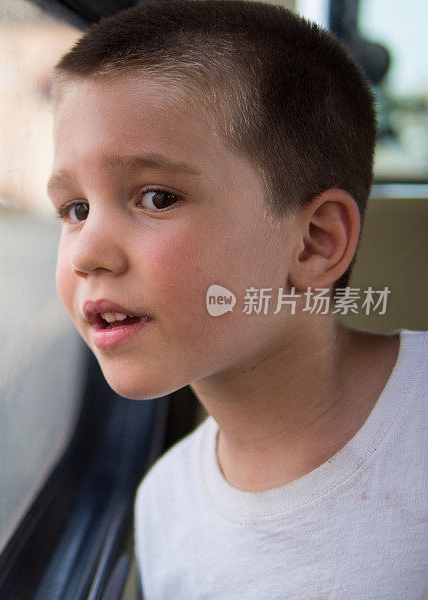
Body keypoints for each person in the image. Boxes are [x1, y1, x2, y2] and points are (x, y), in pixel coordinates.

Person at [46, 1, 428, 597]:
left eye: (157, 198)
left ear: (314, 243)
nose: (85, 253)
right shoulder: (163, 506)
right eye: (75, 209)